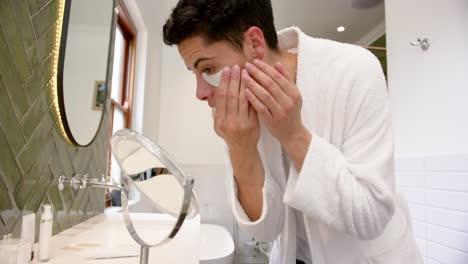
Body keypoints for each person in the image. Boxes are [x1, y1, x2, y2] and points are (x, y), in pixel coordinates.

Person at [163, 0, 422, 263]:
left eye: (208, 69)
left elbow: (371, 214)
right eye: (195, 73)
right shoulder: (238, 113)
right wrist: (241, 148)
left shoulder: (353, 68)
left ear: (254, 43)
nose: (201, 93)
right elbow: (266, 230)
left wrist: (294, 135)